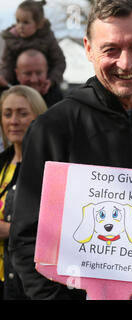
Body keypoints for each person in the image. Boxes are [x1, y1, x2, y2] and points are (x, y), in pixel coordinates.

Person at [8, 0, 132, 300]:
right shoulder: (54, 127)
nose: (125, 63)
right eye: (111, 50)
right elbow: (27, 240)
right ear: (88, 49)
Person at [0, 85, 47, 300]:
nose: (14, 121)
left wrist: (10, 230)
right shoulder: (2, 164)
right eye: (7, 114)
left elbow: (57, 228)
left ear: (39, 116)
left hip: (28, 285)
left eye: (22, 113)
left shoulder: (48, 168)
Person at [0, 1, 66, 89]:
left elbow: (59, 62)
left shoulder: (47, 38)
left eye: (26, 22)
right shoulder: (11, 39)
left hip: (43, 85)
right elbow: (7, 65)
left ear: (39, 24)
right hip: (18, 85)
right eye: (18, 21)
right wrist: (4, 77)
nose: (20, 26)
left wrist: (51, 80)